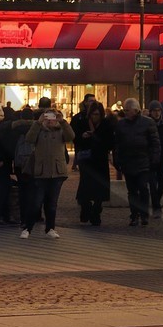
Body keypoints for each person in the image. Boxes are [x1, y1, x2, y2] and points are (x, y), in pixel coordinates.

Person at [20, 107, 74, 239]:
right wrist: (38, 123)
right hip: (41, 172)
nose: (50, 120)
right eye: (48, 117)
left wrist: (63, 122)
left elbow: (71, 137)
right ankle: (28, 228)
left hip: (57, 172)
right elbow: (29, 139)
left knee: (52, 203)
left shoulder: (61, 130)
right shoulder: (39, 130)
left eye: (53, 117)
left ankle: (50, 228)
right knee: (36, 203)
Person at [111, 98, 160, 227]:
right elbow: (117, 144)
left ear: (135, 110)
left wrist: (154, 160)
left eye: (127, 110)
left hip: (144, 162)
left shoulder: (147, 123)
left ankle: (143, 214)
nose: (125, 112)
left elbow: (155, 143)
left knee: (143, 188)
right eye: (125, 110)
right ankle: (134, 215)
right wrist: (117, 160)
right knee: (132, 191)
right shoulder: (121, 124)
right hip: (128, 162)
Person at [74, 101, 114, 226]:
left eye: (97, 114)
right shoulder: (83, 122)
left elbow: (110, 143)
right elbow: (76, 139)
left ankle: (96, 212)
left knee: (100, 188)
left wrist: (97, 138)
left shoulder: (106, 124)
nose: (94, 117)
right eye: (92, 114)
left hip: (100, 159)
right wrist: (83, 137)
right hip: (86, 159)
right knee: (85, 185)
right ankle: (85, 208)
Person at [148, 101, 163, 216]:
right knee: (152, 183)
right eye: (154, 111)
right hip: (151, 158)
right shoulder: (147, 124)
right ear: (150, 112)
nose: (157, 113)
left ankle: (156, 202)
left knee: (161, 183)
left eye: (158, 110)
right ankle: (156, 207)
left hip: (162, 157)